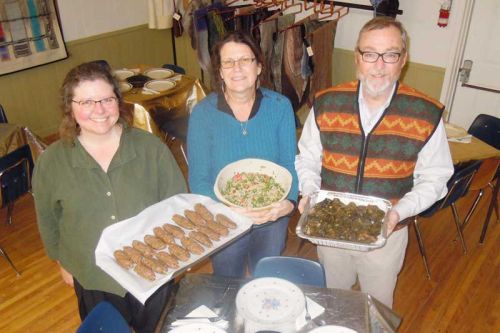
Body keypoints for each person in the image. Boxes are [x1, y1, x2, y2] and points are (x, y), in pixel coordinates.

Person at [295, 17, 454, 308]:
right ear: (357, 57)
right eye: (369, 54)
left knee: (377, 308)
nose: (379, 65)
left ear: (403, 60)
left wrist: (398, 212)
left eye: (390, 54)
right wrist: (309, 192)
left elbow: (436, 178)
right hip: (329, 234)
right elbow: (307, 158)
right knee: (333, 301)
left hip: (387, 237)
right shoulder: (326, 102)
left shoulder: (425, 113)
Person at [33, 62, 187, 332]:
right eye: (87, 101)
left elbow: (177, 205)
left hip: (153, 271)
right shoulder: (52, 162)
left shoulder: (151, 148)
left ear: (118, 100)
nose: (99, 110)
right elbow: (48, 220)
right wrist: (63, 263)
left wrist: (177, 257)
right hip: (93, 276)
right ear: (70, 106)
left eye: (106, 99)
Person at [187, 31, 299, 278]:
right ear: (220, 70)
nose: (236, 68)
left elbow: (289, 164)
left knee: (266, 279)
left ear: (259, 66)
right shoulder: (203, 114)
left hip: (271, 215)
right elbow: (199, 180)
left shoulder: (280, 106)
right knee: (227, 283)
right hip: (224, 219)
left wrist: (287, 204)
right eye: (228, 62)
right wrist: (228, 210)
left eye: (245, 60)